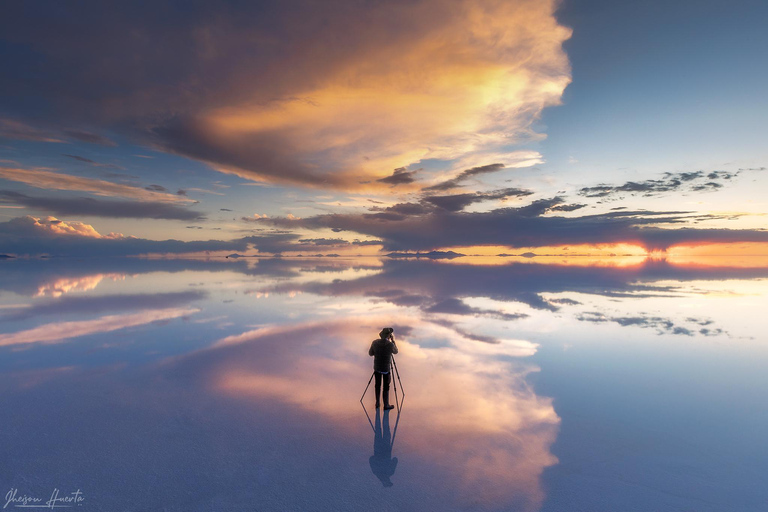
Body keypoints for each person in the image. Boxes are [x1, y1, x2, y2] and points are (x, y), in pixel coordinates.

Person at [368, 327, 398, 410]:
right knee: (386, 386)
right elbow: (396, 351)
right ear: (389, 336)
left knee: (377, 385)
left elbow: (370, 353)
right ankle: (386, 405)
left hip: (377, 367)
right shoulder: (390, 345)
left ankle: (377, 403)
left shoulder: (374, 342)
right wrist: (393, 341)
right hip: (386, 368)